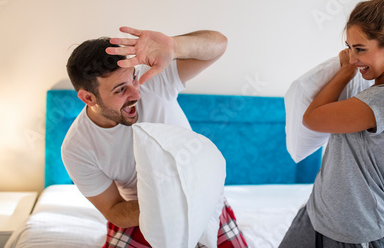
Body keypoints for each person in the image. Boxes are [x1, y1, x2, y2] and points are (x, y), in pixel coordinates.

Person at [62, 26, 248, 247]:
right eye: (120, 89)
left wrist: (174, 45)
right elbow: (114, 210)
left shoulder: (153, 81)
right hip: (140, 214)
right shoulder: (77, 148)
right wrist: (166, 205)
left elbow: (219, 45)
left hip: (202, 198)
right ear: (88, 98)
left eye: (132, 78)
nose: (136, 93)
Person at [279, 0, 384, 247]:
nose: (353, 58)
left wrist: (345, 71)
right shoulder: (377, 91)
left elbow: (312, 118)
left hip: (355, 233)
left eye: (360, 49)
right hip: (317, 215)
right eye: (349, 47)